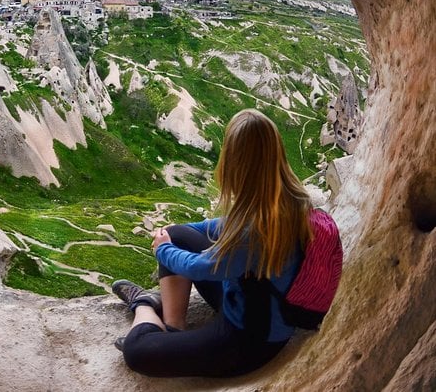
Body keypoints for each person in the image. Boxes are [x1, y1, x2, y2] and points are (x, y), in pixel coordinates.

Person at [112, 108, 314, 377]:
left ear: (235, 163)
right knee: (178, 234)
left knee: (137, 352)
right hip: (253, 305)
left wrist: (163, 249)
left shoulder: (253, 231)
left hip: (247, 340)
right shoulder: (291, 199)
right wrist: (176, 232)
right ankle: (174, 329)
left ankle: (145, 304)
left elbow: (201, 267)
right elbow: (222, 227)